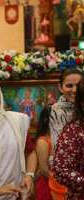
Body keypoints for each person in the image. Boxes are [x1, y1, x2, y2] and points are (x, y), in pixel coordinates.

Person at [48, 68, 82, 200]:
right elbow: (61, 151)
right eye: (69, 86)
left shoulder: (81, 105)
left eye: (78, 85)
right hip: (67, 174)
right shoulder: (58, 110)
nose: (74, 90)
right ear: (60, 88)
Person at [34, 105, 52, 200]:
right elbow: (44, 171)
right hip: (48, 185)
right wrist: (58, 185)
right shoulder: (43, 141)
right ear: (46, 121)